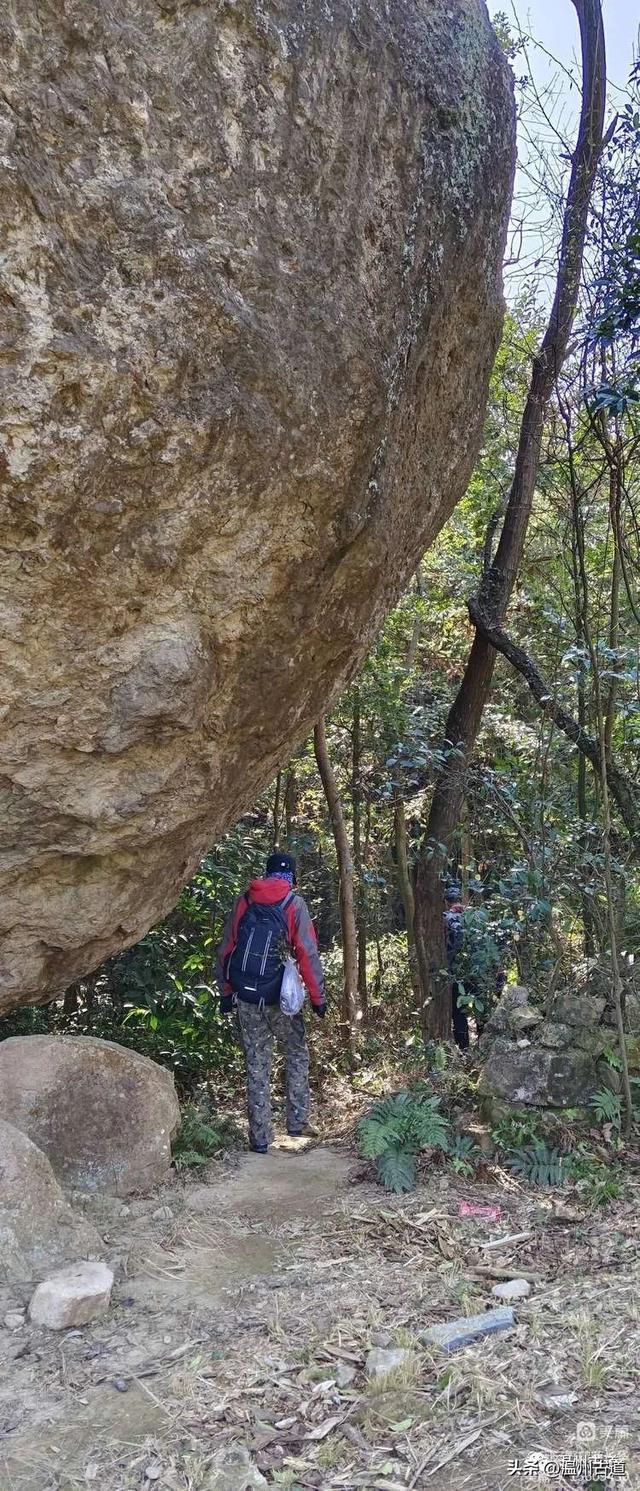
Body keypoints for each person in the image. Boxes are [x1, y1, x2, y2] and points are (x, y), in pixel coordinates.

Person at [216, 851, 327, 1152]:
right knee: (296, 1051)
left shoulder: (246, 900)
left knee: (256, 1063)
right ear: (292, 875)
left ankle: (261, 1139)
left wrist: (226, 992)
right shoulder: (294, 903)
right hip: (280, 999)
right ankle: (297, 1120)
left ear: (266, 873)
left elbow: (227, 947)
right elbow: (307, 952)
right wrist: (318, 998)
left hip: (247, 997)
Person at [443, 883, 469, 1049]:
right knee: (477, 1010)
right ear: (460, 899)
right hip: (474, 971)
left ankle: (463, 1049)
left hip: (455, 972)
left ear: (446, 902)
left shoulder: (445, 918)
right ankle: (483, 1045)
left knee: (458, 1012)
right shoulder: (474, 916)